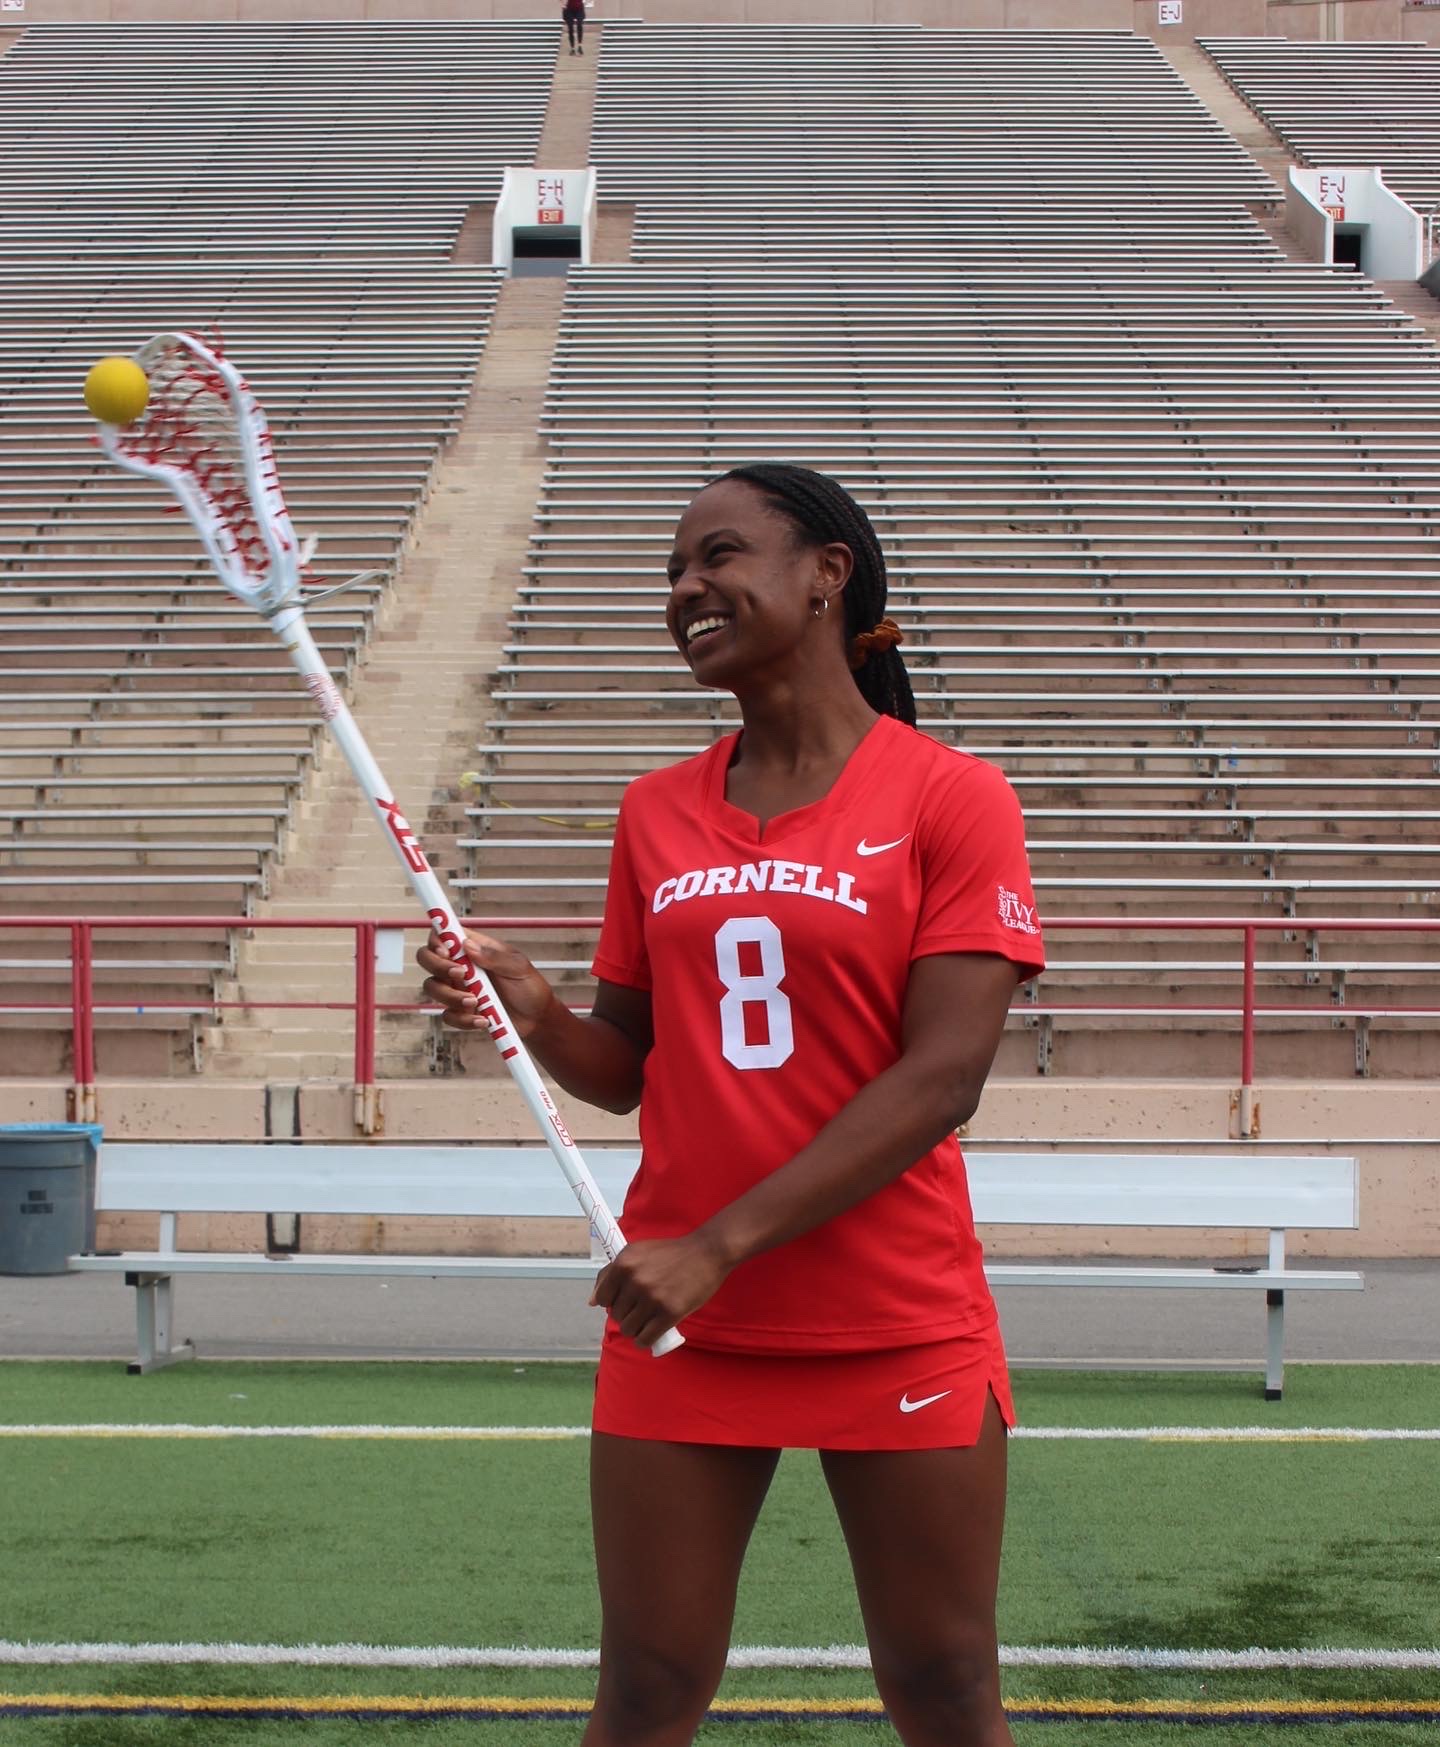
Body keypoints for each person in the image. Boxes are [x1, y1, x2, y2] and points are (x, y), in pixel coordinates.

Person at [418, 462, 1045, 1747]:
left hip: (890, 1315)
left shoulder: (953, 795)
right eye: (673, 571)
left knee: (943, 1684)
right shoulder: (654, 810)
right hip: (685, 1327)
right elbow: (629, 1069)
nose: (687, 588)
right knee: (646, 1687)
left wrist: (716, 1244)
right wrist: (535, 1009)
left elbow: (945, 1078)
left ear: (827, 576)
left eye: (718, 555)